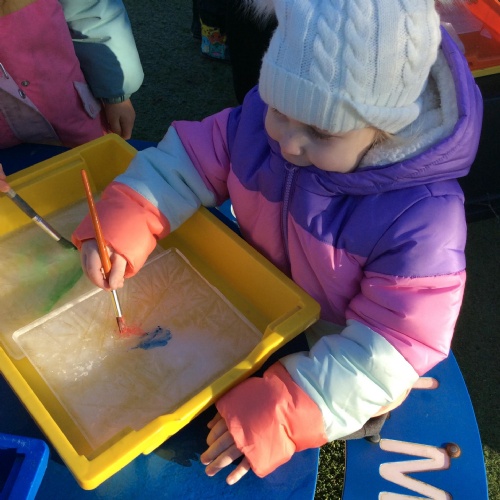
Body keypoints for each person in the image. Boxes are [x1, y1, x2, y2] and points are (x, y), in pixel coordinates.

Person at [72, 0, 483, 485]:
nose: (288, 142)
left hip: (340, 340)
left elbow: (394, 346)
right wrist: (127, 219)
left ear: (386, 128)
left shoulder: (424, 217)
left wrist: (288, 412)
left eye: (320, 131)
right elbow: (184, 162)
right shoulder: (259, 122)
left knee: (357, 399)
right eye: (279, 109)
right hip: (260, 301)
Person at [0, 0, 144, 149]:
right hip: (5, 138)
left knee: (100, 154)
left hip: (70, 111)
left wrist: (116, 93)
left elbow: (89, 15)